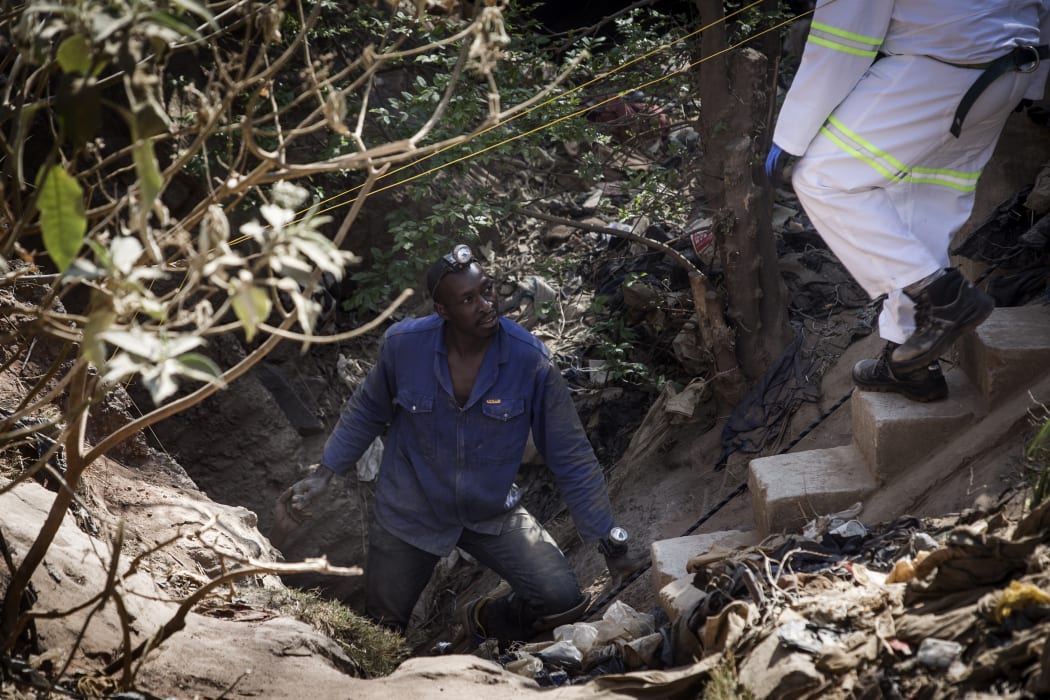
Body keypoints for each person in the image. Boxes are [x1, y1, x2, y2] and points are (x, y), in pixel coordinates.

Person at [277, 244, 639, 646]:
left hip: (489, 511)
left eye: (488, 289)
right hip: (409, 514)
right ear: (442, 310)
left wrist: (609, 539)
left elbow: (570, 454)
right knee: (381, 634)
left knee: (562, 601)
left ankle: (485, 618)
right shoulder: (404, 346)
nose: (486, 304)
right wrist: (326, 474)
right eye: (469, 299)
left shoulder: (530, 361)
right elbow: (366, 410)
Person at [765, 0, 1050, 402]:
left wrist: (791, 135)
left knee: (821, 178)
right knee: (925, 200)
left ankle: (945, 298)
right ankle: (911, 360)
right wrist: (1034, 83)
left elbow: (843, 39)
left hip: (940, 68)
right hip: (1012, 70)